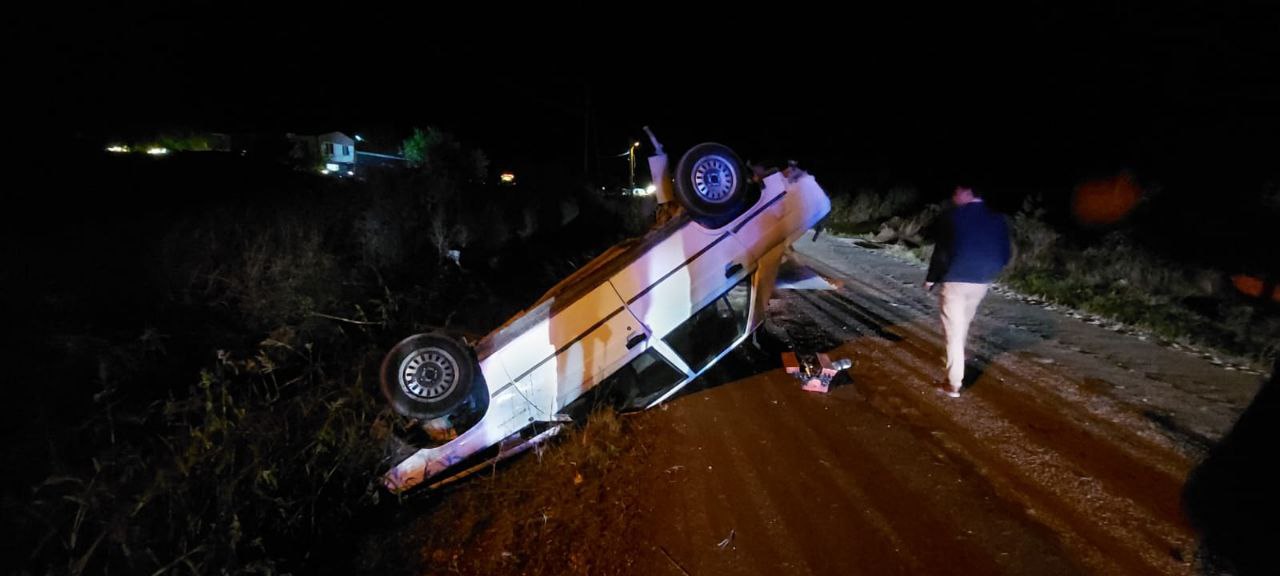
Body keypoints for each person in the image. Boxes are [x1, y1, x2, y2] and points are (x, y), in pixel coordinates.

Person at [924, 184, 1011, 397]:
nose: (954, 197)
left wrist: (931, 279)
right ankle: (956, 362)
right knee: (962, 324)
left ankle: (953, 383)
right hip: (981, 281)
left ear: (968, 193)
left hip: (956, 279)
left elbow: (942, 252)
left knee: (954, 331)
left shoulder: (954, 216)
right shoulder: (997, 218)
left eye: (957, 193)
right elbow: (1006, 252)